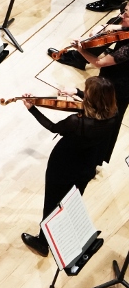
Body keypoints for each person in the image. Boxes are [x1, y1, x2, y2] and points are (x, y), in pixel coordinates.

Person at [18, 77, 118, 256]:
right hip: (87, 165)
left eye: (86, 91)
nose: (83, 92)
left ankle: (43, 242)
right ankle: (63, 230)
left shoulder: (76, 121)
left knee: (51, 201)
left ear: (91, 97)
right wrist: (77, 92)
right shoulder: (113, 114)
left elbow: (53, 127)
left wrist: (32, 108)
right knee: (70, 200)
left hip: (64, 164)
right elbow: (92, 106)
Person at [50, 3, 129, 162]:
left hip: (118, 87)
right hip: (110, 79)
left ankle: (94, 159)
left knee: (105, 124)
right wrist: (106, 26)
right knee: (95, 115)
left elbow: (99, 63)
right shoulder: (126, 29)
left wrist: (81, 50)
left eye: (126, 14)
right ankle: (85, 153)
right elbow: (119, 26)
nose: (122, 16)